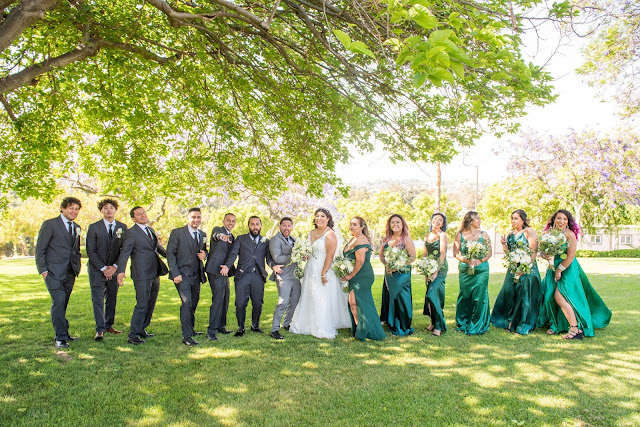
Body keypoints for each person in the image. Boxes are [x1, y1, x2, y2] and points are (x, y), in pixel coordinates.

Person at [538, 209, 612, 339]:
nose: (561, 221)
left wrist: (560, 270)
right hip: (552, 266)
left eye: (565, 219)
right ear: (554, 220)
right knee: (549, 295)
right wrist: (546, 255)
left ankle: (575, 329)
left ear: (568, 222)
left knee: (560, 296)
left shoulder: (570, 234)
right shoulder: (548, 233)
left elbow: (571, 256)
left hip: (568, 267)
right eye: (559, 218)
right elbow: (542, 252)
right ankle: (555, 325)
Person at [290, 208, 351, 338]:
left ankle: (321, 324)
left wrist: (323, 273)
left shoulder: (330, 234)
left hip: (324, 269)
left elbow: (330, 255)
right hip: (310, 268)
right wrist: (303, 255)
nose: (319, 218)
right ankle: (306, 323)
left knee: (322, 296)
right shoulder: (311, 232)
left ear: (328, 219)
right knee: (308, 293)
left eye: (322, 216)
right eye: (317, 216)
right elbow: (309, 251)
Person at [35, 196, 83, 348]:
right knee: (59, 302)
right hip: (53, 272)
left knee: (64, 303)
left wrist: (76, 266)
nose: (74, 211)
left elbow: (75, 249)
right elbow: (40, 249)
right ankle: (60, 338)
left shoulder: (76, 226)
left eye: (76, 209)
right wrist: (43, 270)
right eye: (71, 208)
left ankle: (65, 333)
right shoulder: (50, 224)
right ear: (63, 208)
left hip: (70, 271)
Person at [116, 206, 168, 345]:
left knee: (151, 303)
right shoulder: (130, 233)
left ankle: (142, 329)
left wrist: (173, 256)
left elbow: (158, 248)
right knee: (142, 303)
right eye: (139, 215)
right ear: (133, 218)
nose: (143, 216)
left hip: (154, 271)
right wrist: (120, 271)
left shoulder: (150, 230)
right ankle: (133, 335)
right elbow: (125, 253)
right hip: (141, 273)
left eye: (144, 213)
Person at [490, 209, 542, 335]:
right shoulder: (510, 234)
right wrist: (504, 247)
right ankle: (510, 320)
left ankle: (523, 323)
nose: (513, 221)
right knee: (509, 292)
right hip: (513, 269)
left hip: (528, 269)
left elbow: (533, 252)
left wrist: (525, 268)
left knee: (524, 295)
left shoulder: (529, 232)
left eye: (516, 218)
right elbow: (509, 254)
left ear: (523, 219)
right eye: (512, 218)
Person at [221, 216, 272, 336]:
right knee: (240, 303)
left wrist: (273, 266)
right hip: (243, 275)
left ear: (260, 225)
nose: (255, 227)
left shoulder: (266, 241)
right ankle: (241, 327)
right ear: (248, 226)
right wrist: (227, 266)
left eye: (257, 224)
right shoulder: (240, 239)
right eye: (252, 224)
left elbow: (269, 258)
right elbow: (233, 254)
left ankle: (255, 325)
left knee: (258, 303)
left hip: (258, 276)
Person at [86, 198, 128, 341]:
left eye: (111, 207)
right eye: (105, 208)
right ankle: (100, 329)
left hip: (114, 269)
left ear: (115, 210)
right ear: (101, 211)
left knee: (112, 298)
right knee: (97, 299)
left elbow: (124, 250)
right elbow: (90, 251)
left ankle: (109, 325)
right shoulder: (93, 227)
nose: (108, 210)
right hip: (97, 270)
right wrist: (104, 268)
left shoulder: (122, 227)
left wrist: (115, 267)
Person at [166, 208, 208, 346]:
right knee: (186, 303)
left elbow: (204, 251)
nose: (196, 220)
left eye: (198, 217)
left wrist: (205, 255)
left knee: (194, 302)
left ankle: (191, 328)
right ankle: (187, 337)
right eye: (193, 217)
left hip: (196, 275)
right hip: (182, 275)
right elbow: (170, 254)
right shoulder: (177, 233)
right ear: (188, 218)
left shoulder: (202, 234)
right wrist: (176, 273)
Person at [341, 217, 385, 341]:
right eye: (351, 224)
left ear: (362, 227)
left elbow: (360, 261)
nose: (352, 227)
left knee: (357, 302)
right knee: (356, 303)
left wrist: (350, 275)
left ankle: (364, 331)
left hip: (362, 275)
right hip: (355, 274)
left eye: (355, 224)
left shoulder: (361, 240)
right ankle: (361, 329)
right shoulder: (353, 239)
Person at [453, 211, 492, 335]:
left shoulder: (484, 235)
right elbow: (456, 253)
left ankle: (477, 324)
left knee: (480, 296)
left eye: (479, 218)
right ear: (469, 220)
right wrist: (467, 260)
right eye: (477, 218)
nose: (479, 220)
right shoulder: (460, 235)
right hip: (465, 269)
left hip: (481, 269)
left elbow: (489, 253)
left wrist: (480, 261)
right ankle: (463, 322)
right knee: (465, 295)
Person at [379, 214, 416, 336]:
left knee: (400, 297)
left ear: (402, 224)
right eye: (392, 222)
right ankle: (391, 322)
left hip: (402, 274)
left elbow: (412, 257)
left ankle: (403, 325)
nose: (395, 224)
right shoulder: (386, 239)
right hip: (389, 273)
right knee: (391, 296)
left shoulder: (406, 239)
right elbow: (382, 256)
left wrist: (398, 266)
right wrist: (387, 265)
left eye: (397, 222)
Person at [204, 213, 236, 340]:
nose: (231, 223)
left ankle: (221, 326)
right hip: (215, 270)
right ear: (223, 221)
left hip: (225, 271)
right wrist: (222, 236)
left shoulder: (233, 236)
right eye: (228, 220)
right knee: (218, 300)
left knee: (225, 298)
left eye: (233, 221)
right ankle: (211, 331)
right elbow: (216, 236)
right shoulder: (217, 230)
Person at [268, 217, 302, 340]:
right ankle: (274, 329)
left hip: (295, 275)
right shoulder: (275, 240)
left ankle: (286, 323)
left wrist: (302, 255)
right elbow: (277, 258)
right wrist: (295, 255)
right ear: (280, 226)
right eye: (284, 225)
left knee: (294, 301)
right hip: (284, 275)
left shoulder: (293, 239)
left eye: (289, 225)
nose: (286, 228)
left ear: (292, 227)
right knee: (283, 302)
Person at [423, 213, 448, 337]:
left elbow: (442, 253)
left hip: (440, 268)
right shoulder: (427, 236)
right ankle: (433, 321)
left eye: (440, 220)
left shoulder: (442, 235)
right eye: (435, 219)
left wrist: (436, 270)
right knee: (429, 296)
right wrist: (425, 270)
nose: (437, 221)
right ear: (431, 221)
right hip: (429, 268)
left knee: (433, 295)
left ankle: (439, 325)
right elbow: (425, 254)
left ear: (443, 224)